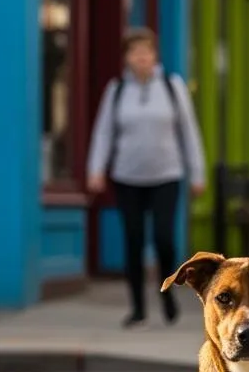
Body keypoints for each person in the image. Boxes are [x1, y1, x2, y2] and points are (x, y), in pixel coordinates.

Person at [86, 27, 206, 329]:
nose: (142, 57)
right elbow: (103, 133)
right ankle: (138, 307)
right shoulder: (116, 90)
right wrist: (96, 169)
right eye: (135, 52)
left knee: (164, 238)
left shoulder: (172, 87)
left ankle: (167, 293)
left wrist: (197, 173)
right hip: (127, 176)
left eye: (147, 51)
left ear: (155, 55)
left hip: (166, 174)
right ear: (126, 58)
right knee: (134, 240)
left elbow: (188, 132)